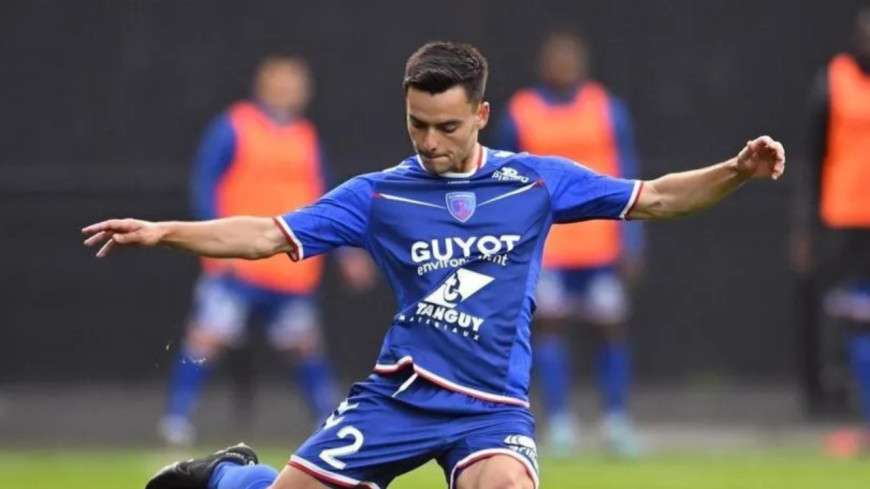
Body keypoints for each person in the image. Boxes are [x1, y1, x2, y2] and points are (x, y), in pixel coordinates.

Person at [83, 41, 784, 489]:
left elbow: (655, 197)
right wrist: (164, 231)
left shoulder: (535, 182)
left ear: (481, 114)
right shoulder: (379, 195)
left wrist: (736, 170)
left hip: (491, 409)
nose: (429, 141)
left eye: (446, 126)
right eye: (416, 123)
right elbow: (268, 234)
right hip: (400, 396)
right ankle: (231, 478)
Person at [159, 55, 375, 446]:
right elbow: (205, 185)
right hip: (237, 264)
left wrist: (346, 252)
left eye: (297, 86)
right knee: (205, 340)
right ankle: (177, 417)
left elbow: (327, 201)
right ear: (263, 86)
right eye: (282, 84)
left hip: (290, 268)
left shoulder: (306, 137)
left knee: (305, 346)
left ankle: (328, 422)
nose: (290, 93)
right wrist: (215, 243)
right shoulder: (234, 126)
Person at [495, 28, 644, 456]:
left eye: (570, 59)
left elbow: (628, 172)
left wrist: (632, 240)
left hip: (600, 245)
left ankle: (615, 420)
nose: (563, 67)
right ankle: (559, 421)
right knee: (549, 328)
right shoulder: (521, 112)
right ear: (543, 65)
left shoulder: (606, 108)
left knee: (611, 329)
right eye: (555, 60)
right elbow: (502, 179)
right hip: (548, 248)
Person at [792, 7, 870, 451]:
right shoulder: (834, 81)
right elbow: (812, 157)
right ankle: (862, 416)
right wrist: (805, 226)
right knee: (855, 318)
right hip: (847, 221)